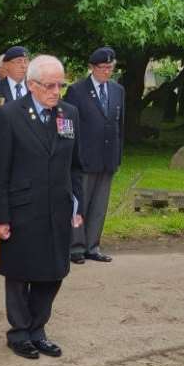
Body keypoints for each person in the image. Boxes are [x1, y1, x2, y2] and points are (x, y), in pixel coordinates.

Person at [0, 55, 83, 360]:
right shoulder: (10, 115)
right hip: (22, 208)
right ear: (31, 85)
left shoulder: (69, 114)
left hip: (57, 207)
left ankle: (38, 328)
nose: (56, 91)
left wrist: (77, 205)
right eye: (50, 85)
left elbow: (75, 165)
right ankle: (19, 332)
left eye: (61, 84)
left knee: (54, 271)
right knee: (19, 273)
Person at [65, 47, 125, 264]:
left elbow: (120, 125)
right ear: (92, 68)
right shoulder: (77, 91)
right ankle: (76, 247)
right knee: (79, 204)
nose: (107, 72)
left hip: (107, 158)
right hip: (84, 158)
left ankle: (92, 246)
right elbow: (69, 127)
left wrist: (117, 155)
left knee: (99, 205)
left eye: (110, 67)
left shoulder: (118, 90)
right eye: (103, 68)